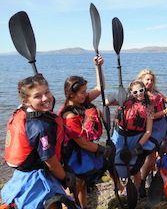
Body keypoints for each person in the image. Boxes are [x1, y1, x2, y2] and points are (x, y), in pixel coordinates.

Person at [2, 74, 77, 209]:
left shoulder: (25, 112)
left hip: (21, 175)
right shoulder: (40, 127)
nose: (45, 98)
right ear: (26, 101)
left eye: (47, 92)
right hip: (36, 179)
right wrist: (65, 177)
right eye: (37, 96)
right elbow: (51, 162)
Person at [60, 55, 112, 209]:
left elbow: (101, 87)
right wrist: (103, 150)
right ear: (71, 94)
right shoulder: (69, 115)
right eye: (82, 92)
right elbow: (81, 142)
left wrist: (98, 67)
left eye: (85, 91)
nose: (85, 94)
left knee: (82, 184)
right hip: (72, 155)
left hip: (84, 150)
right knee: (72, 188)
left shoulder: (82, 101)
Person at [136, 69, 167, 197]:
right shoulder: (142, 96)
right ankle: (141, 181)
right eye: (147, 79)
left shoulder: (156, 93)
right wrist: (165, 112)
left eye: (151, 80)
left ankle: (155, 175)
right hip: (152, 127)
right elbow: (150, 115)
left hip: (163, 126)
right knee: (151, 157)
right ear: (141, 80)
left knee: (162, 151)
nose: (149, 82)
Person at [111, 80, 154, 194]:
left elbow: (148, 131)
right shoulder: (125, 101)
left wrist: (138, 146)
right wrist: (118, 95)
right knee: (112, 163)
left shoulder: (148, 107)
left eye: (141, 90)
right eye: (135, 92)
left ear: (144, 90)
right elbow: (106, 102)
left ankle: (134, 192)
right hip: (120, 135)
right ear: (131, 92)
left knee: (135, 167)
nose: (139, 94)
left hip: (136, 138)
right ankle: (119, 185)